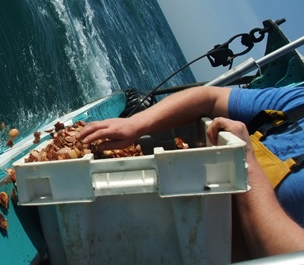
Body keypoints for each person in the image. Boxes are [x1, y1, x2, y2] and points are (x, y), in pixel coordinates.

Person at [76, 86, 304, 261]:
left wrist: (244, 161)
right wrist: (136, 124)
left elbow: (288, 258)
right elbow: (209, 98)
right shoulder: (298, 101)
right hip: (151, 214)